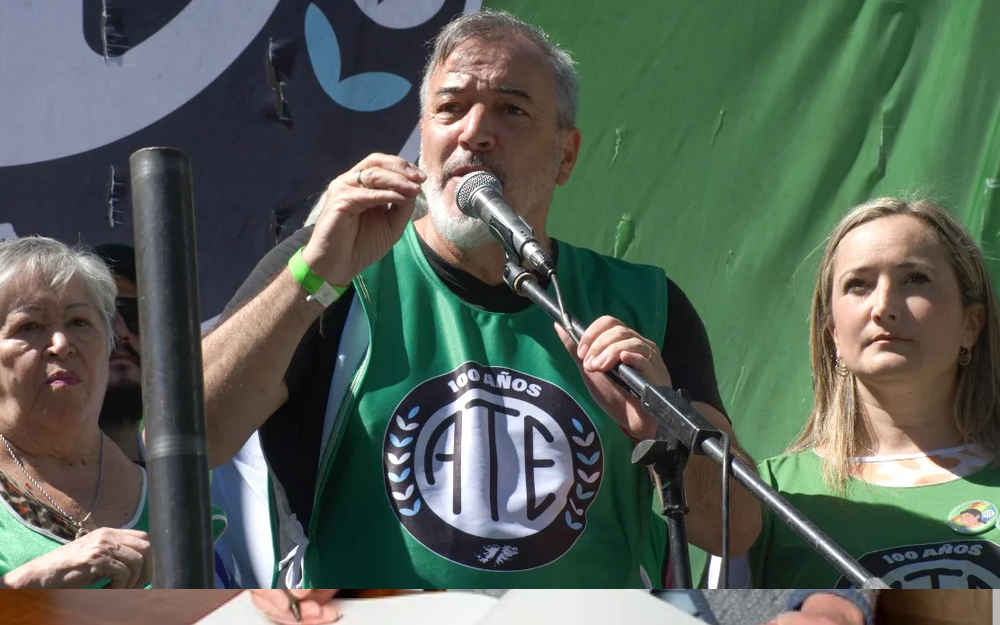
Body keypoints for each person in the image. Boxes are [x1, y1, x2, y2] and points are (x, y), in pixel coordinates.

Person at [203, 10, 760, 588]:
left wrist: (659, 429)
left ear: (566, 156)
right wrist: (310, 278)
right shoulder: (332, 268)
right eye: (450, 109)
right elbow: (187, 438)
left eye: (511, 110)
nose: (474, 132)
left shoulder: (641, 302)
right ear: (423, 139)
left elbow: (736, 529)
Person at [750, 197, 1000, 589]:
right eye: (858, 285)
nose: (883, 307)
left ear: (972, 323)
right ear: (833, 333)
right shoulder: (761, 495)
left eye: (914, 279)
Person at [0, 236, 151, 588]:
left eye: (79, 322)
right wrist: (33, 582)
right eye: (29, 326)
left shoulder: (173, 495)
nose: (62, 344)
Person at [94, 244, 144, 465]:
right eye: (103, 317)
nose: (120, 332)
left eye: (134, 316)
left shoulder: (190, 478)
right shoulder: (21, 479)